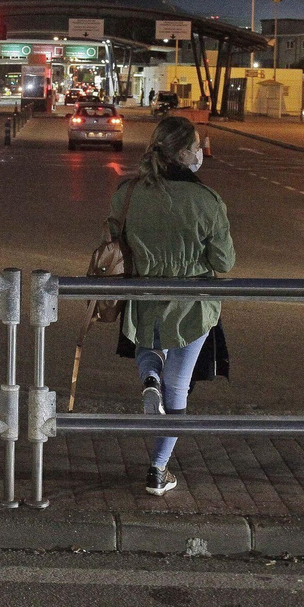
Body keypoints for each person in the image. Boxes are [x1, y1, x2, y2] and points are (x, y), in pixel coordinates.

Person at [109, 115, 235, 497]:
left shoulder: (127, 192)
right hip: (192, 306)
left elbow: (115, 241)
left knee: (152, 353)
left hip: (144, 298)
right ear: (182, 152)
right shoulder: (206, 200)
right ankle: (157, 469)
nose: (200, 153)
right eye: (197, 146)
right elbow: (224, 262)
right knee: (177, 390)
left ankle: (149, 378)